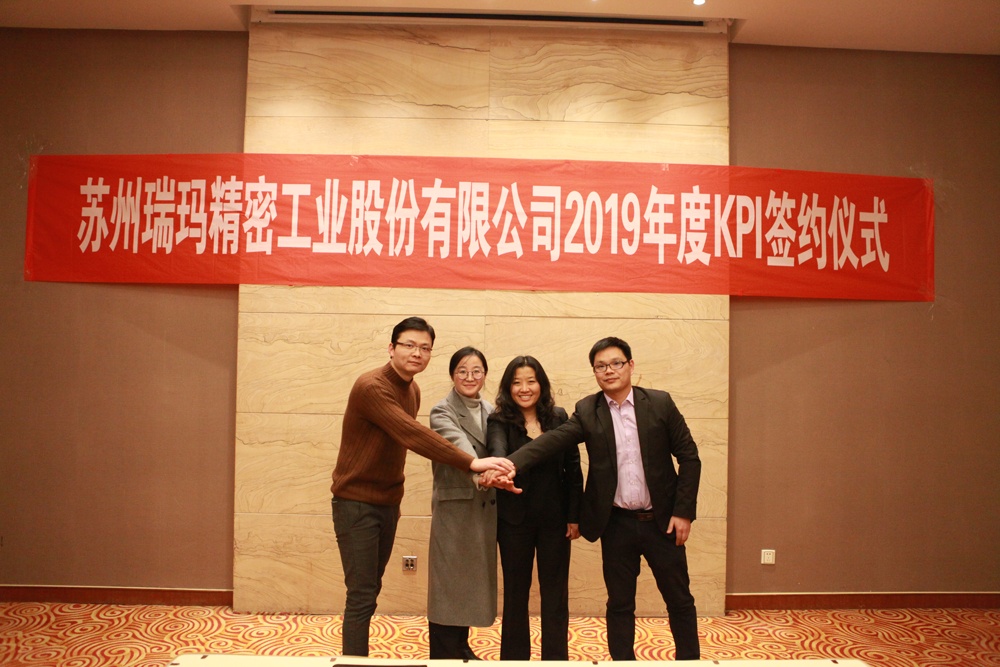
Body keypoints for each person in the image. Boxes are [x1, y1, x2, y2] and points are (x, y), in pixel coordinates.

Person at [484, 337, 702, 661]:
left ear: (630, 365)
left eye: (616, 363)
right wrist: (510, 465)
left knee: (680, 600)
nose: (609, 370)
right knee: (619, 604)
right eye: (601, 366)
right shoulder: (588, 410)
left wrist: (683, 511)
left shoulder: (660, 403)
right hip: (616, 524)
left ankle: (690, 661)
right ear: (595, 372)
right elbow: (552, 441)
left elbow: (690, 458)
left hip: (663, 522)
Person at [330, 317, 512, 657]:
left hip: (387, 501)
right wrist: (472, 463)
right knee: (362, 595)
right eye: (410, 345)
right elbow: (411, 434)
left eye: (425, 348)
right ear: (391, 348)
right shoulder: (371, 386)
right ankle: (354, 662)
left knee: (370, 589)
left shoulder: (411, 389)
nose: (417, 353)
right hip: (355, 501)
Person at [486, 356, 583, 660]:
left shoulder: (559, 417)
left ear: (541, 384)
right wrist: (501, 471)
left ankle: (556, 661)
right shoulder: (499, 420)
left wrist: (574, 516)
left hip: (556, 521)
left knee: (556, 594)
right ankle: (514, 662)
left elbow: (573, 468)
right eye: (517, 382)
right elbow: (498, 453)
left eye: (531, 381)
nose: (524, 388)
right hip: (514, 522)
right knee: (515, 594)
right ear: (508, 387)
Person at [426, 347, 497, 660]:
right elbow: (460, 448)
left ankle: (460, 647)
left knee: (469, 583)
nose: (470, 377)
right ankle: (444, 654)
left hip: (483, 508)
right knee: (448, 584)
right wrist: (483, 473)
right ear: (452, 375)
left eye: (476, 371)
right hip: (455, 509)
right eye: (462, 371)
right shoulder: (442, 411)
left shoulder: (491, 410)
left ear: (485, 374)